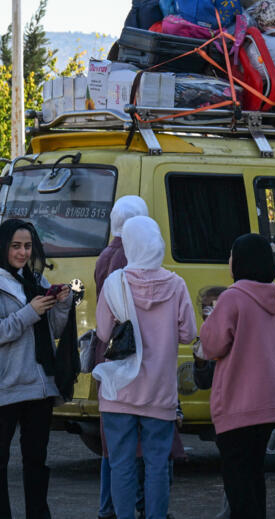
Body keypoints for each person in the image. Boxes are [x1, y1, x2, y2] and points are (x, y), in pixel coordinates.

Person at [0, 218, 74, 519]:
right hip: (3, 385)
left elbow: (52, 330)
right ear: (2, 247)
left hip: (39, 384)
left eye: (28, 246)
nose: (22, 252)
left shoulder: (37, 282)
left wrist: (62, 304)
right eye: (16, 246)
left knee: (36, 460)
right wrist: (29, 312)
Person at [95, 216, 196, 519]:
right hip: (159, 392)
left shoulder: (116, 283)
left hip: (119, 391)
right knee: (156, 465)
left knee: (121, 464)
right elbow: (189, 333)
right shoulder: (176, 284)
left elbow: (102, 332)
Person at [198, 233, 275, 519]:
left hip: (238, 404)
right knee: (254, 479)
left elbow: (212, 345)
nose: (229, 261)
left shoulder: (233, 298)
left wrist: (208, 322)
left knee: (238, 485)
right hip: (270, 403)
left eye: (232, 255)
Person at [93, 195, 149, 519]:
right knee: (129, 440)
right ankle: (121, 506)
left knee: (110, 440)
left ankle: (108, 506)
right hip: (126, 355)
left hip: (108, 353)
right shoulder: (127, 255)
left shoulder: (106, 253)